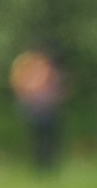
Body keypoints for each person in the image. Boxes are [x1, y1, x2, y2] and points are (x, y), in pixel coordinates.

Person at [8, 46, 66, 174]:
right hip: (38, 107)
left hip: (43, 106)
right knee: (41, 137)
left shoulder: (28, 65)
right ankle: (43, 165)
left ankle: (46, 165)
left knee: (46, 137)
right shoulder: (33, 66)